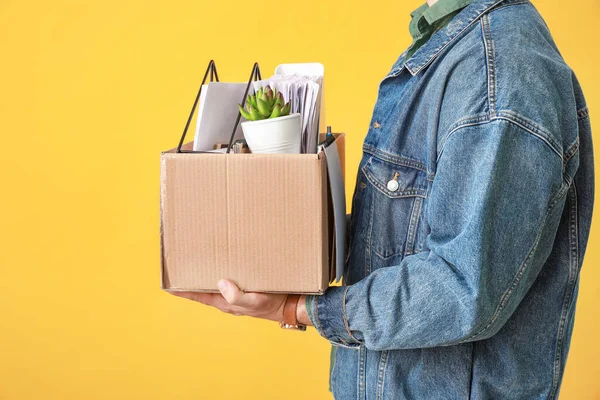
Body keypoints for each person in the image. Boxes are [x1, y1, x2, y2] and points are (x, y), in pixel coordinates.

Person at [172, 0, 594, 398]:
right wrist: (280, 241)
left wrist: (297, 309)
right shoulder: (451, 49)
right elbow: (402, 237)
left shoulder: (498, 75)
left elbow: (462, 289)